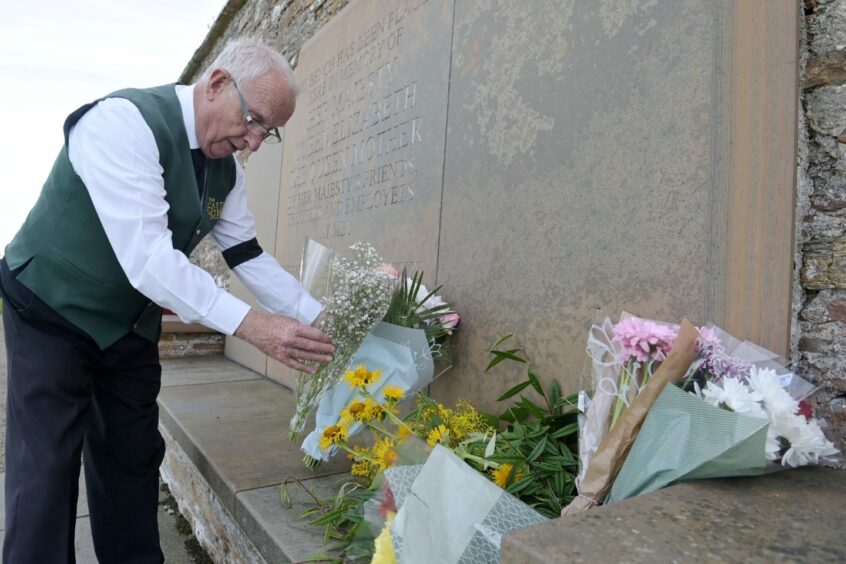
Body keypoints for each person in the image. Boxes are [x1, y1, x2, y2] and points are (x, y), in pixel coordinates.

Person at [0, 39, 333, 563]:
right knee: (44, 468)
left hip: (127, 324)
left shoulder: (227, 174)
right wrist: (251, 326)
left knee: (131, 459)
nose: (254, 143)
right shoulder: (122, 123)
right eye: (253, 121)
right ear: (219, 83)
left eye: (268, 132)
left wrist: (324, 320)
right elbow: (151, 261)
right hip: (50, 306)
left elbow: (247, 256)